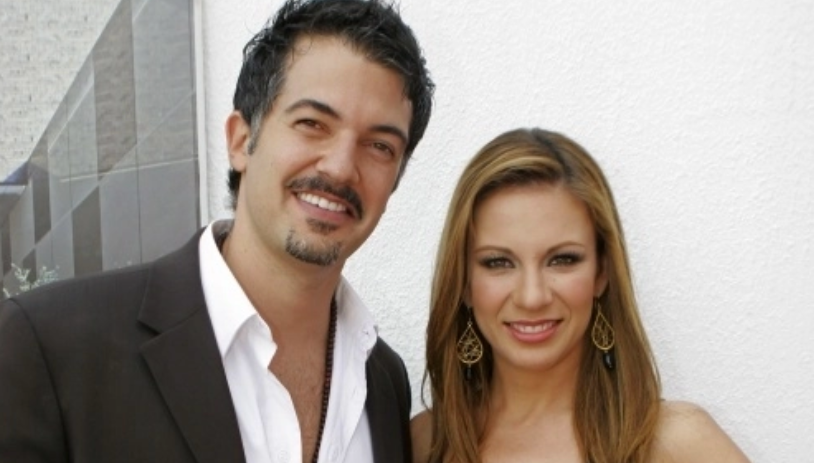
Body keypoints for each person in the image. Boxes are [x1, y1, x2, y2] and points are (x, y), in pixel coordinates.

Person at [0, 0, 433, 462]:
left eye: (380, 146)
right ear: (241, 141)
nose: (342, 167)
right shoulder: (49, 347)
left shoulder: (384, 382)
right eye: (312, 124)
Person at [411, 128, 749, 463]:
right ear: (464, 282)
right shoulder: (425, 442)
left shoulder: (680, 443)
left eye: (563, 260)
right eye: (498, 262)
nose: (532, 297)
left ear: (602, 272)